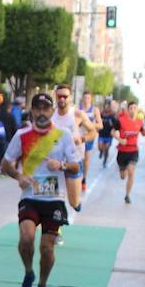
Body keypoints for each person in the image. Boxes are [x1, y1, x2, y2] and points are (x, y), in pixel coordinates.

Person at [0, 93, 82, 287]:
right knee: (26, 238)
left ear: (52, 111)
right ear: (32, 111)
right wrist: (19, 176)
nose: (42, 112)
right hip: (30, 196)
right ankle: (28, 273)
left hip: (55, 199)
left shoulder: (63, 135)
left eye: (46, 108)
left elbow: (76, 165)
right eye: (38, 108)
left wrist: (61, 165)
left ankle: (43, 284)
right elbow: (6, 164)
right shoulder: (22, 135)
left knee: (47, 248)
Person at [51, 84, 96, 212]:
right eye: (59, 96)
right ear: (55, 96)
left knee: (73, 202)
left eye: (65, 96)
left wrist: (81, 139)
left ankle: (77, 203)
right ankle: (54, 227)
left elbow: (93, 132)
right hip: (55, 163)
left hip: (73, 162)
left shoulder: (77, 114)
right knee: (54, 200)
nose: (62, 99)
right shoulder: (50, 115)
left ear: (70, 98)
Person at [115, 99, 144, 203]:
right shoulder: (121, 120)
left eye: (134, 108)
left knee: (131, 172)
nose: (132, 110)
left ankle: (127, 195)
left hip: (133, 151)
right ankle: (123, 169)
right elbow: (113, 131)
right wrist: (120, 139)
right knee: (123, 176)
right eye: (130, 108)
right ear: (128, 110)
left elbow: (144, 132)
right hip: (122, 151)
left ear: (137, 109)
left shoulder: (140, 121)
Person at [79, 91, 103, 188]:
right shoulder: (78, 109)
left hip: (89, 136)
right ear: (82, 98)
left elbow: (100, 125)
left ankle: (84, 179)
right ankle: (77, 175)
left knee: (86, 159)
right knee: (78, 158)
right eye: (85, 98)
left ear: (91, 99)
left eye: (88, 98)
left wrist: (88, 124)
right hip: (79, 135)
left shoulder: (94, 110)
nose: (86, 100)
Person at [97, 99, 118, 167]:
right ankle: (101, 151)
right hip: (101, 134)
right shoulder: (101, 114)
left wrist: (113, 127)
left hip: (109, 136)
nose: (106, 107)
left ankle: (105, 161)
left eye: (107, 106)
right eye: (105, 106)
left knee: (106, 148)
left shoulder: (112, 115)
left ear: (109, 107)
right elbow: (97, 122)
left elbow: (117, 125)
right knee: (100, 147)